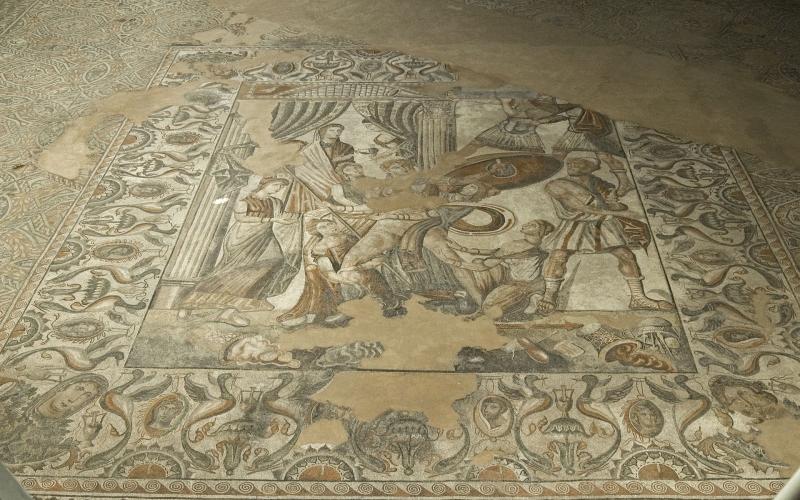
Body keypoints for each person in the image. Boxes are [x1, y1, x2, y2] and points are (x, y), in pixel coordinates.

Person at [537, 153, 672, 314]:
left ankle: (638, 298)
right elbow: (581, 207)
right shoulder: (557, 184)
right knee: (558, 255)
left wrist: (616, 189)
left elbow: (618, 197)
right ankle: (549, 296)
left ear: (590, 167)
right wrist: (619, 213)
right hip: (575, 222)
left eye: (577, 162)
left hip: (603, 222)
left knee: (626, 255)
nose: (571, 165)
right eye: (570, 163)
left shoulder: (598, 183)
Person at [179, 177, 297, 326]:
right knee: (230, 271)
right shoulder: (244, 201)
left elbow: (280, 216)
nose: (278, 188)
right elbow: (242, 218)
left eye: (280, 186)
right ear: (264, 184)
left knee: (275, 261)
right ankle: (189, 303)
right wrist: (271, 220)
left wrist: (290, 218)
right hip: (242, 237)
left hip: (265, 237)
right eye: (276, 184)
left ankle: (228, 312)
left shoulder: (276, 202)